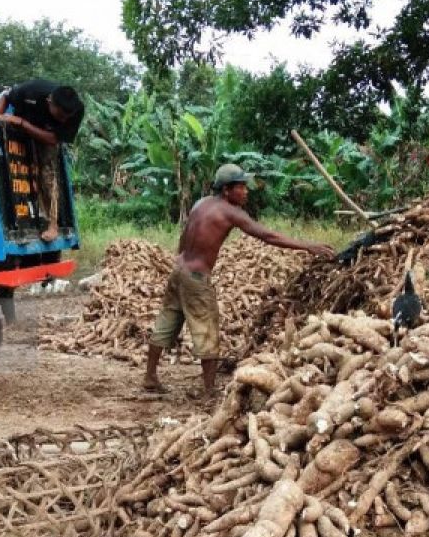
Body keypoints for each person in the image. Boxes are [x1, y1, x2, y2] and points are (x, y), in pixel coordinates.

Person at [144, 163, 336, 397]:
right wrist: (308, 246)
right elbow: (266, 235)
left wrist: (183, 263)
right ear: (226, 190)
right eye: (241, 187)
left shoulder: (201, 204)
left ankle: (150, 377)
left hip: (179, 270)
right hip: (196, 277)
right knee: (207, 328)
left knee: (167, 319)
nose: (246, 191)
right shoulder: (230, 212)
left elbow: (184, 236)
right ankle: (208, 390)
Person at [0, 80, 85, 241]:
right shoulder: (31, 91)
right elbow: (6, 95)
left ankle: (52, 225)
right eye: (60, 116)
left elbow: (53, 139)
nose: (64, 120)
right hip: (19, 125)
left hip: (44, 135)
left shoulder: (77, 110)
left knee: (48, 173)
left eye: (67, 117)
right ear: (49, 102)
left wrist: (23, 124)